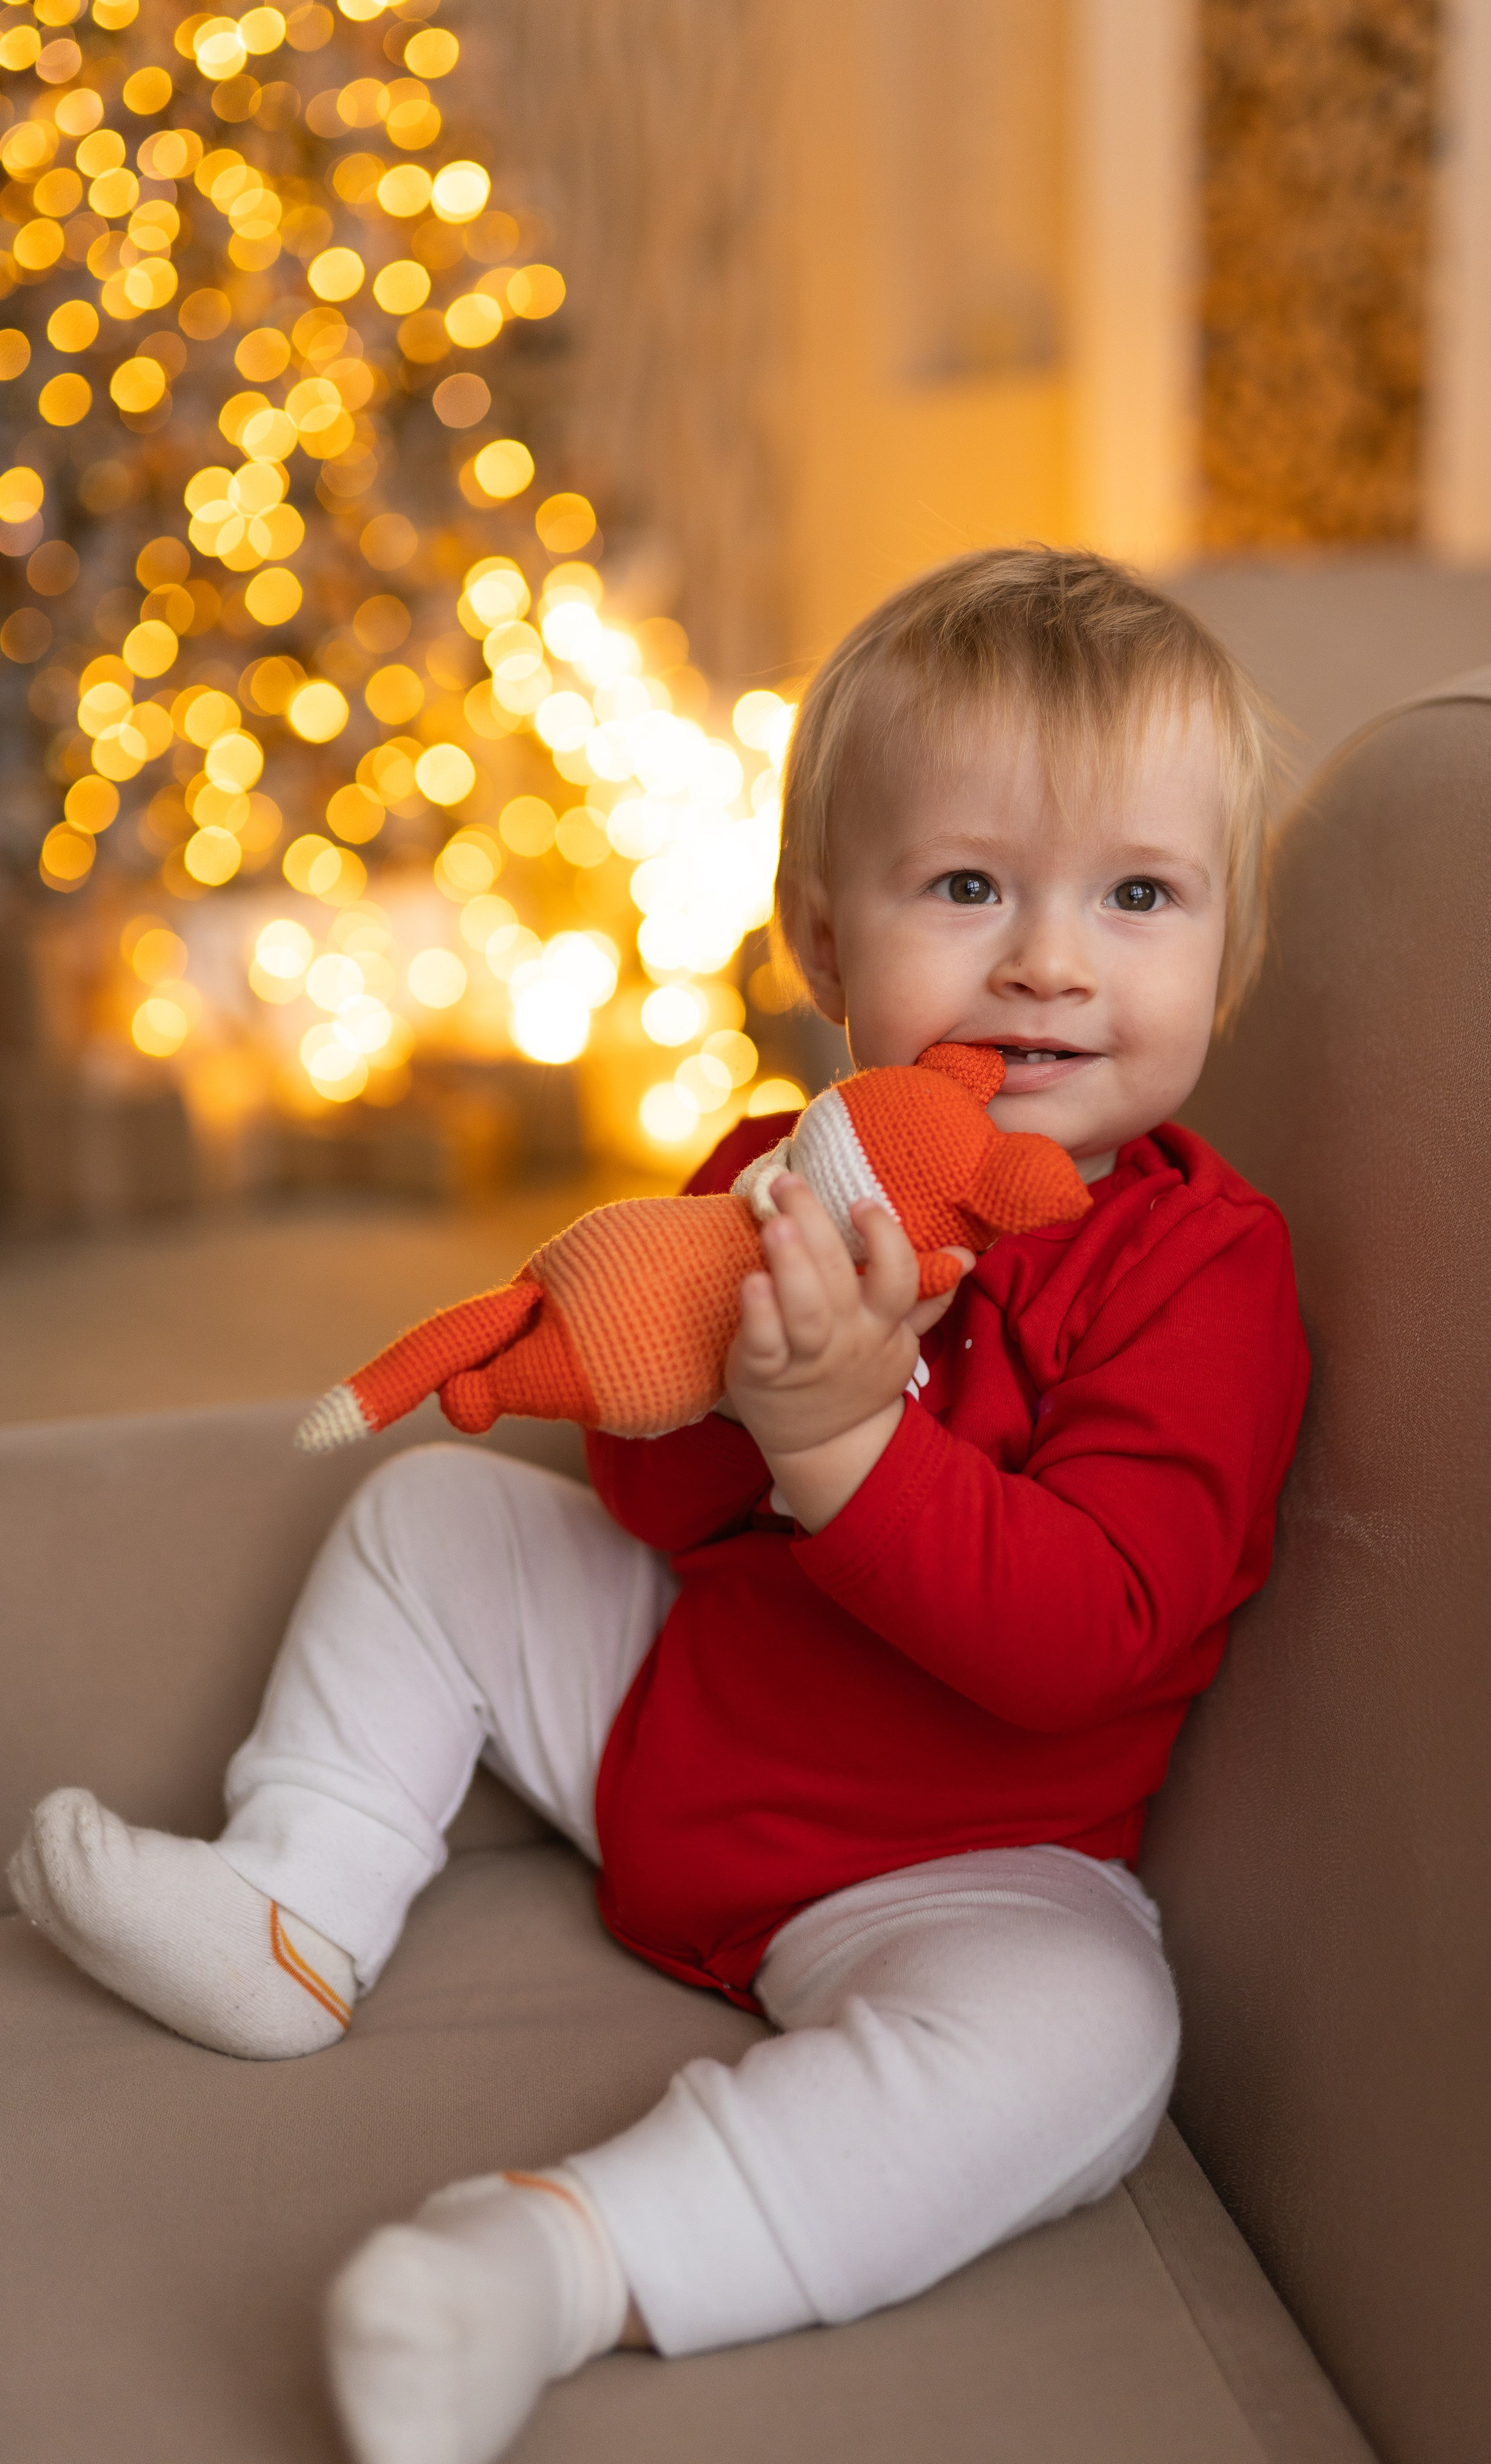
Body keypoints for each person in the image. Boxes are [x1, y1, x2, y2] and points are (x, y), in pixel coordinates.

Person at [8, 545, 1311, 2464]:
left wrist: (851, 1446)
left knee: (1092, 2037)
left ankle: (547, 2264)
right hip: (682, 1726)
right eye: (967, 888)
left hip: (955, 1859)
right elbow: (643, 1495)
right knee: (436, 1518)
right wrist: (731, 1381)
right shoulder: (782, 1175)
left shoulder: (1207, 1275)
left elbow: (1090, 1637)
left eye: (1137, 896)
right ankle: (300, 1901)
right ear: (821, 942)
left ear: (1228, 953)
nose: (1050, 959)